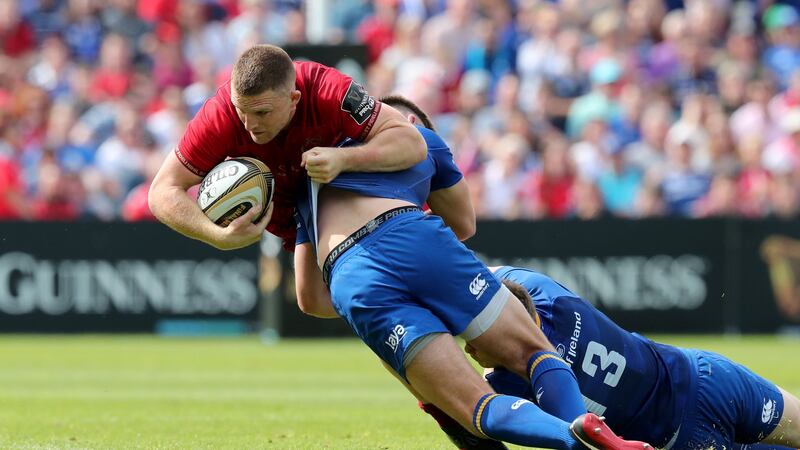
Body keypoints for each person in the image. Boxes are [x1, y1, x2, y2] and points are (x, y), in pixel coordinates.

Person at [292, 95, 653, 450]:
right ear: (408, 122)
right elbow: (464, 224)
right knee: (532, 352)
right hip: (414, 239)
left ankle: (564, 439)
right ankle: (578, 428)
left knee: (468, 404)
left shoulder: (311, 184)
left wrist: (370, 292)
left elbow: (309, 299)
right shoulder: (418, 137)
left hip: (351, 274)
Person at [424, 265, 800, 450]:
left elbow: (480, 430)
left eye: (475, 340)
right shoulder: (540, 292)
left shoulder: (509, 385)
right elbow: (483, 275)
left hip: (682, 438)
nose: (470, 350)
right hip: (706, 374)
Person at [148, 44, 427, 252]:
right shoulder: (219, 116)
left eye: (262, 113)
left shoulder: (329, 89)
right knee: (314, 303)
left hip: (364, 200)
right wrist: (216, 235)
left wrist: (342, 159)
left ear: (294, 99)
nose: (248, 124)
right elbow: (162, 192)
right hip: (296, 223)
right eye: (240, 110)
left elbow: (412, 142)